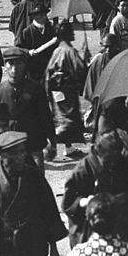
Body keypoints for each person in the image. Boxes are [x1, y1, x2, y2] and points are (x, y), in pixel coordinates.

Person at [62, 131, 128, 249]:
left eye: (114, 159)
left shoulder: (123, 162)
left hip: (122, 224)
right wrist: (85, 202)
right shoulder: (83, 169)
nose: (111, 165)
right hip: (92, 227)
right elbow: (68, 202)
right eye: (107, 160)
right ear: (97, 153)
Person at [0, 47, 55, 165]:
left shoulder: (35, 89)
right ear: (5, 65)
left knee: (36, 179)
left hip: (33, 143)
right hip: (9, 146)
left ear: (25, 65)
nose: (15, 69)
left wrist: (52, 142)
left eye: (19, 63)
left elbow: (45, 116)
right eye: (11, 63)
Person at [45, 20, 87, 161]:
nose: (74, 34)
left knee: (61, 117)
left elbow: (48, 72)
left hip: (56, 89)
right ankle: (51, 144)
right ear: (66, 34)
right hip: (67, 89)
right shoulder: (69, 50)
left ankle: (68, 147)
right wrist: (85, 61)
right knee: (68, 119)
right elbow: (80, 69)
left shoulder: (57, 50)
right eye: (71, 31)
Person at [16, 3, 56, 82]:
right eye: (40, 15)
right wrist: (28, 51)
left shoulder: (51, 29)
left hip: (49, 65)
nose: (44, 17)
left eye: (45, 15)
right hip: (33, 67)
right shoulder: (27, 32)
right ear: (34, 17)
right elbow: (19, 48)